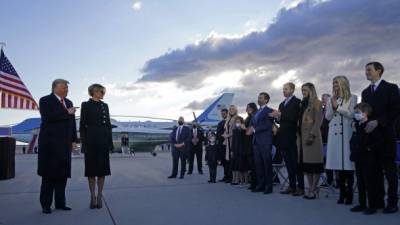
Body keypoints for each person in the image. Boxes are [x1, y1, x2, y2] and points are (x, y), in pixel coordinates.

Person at [361, 62, 400, 213]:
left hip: (386, 136)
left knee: (390, 172)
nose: (366, 72)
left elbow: (396, 110)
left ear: (379, 71)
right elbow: (364, 112)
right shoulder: (365, 92)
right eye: (366, 70)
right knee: (373, 172)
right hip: (371, 137)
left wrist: (378, 122)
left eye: (369, 70)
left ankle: (392, 203)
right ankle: (376, 203)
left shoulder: (391, 88)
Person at [37, 79, 77, 214]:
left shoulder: (69, 102)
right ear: (55, 88)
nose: (67, 89)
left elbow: (72, 124)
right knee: (48, 176)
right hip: (50, 145)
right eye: (64, 87)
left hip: (65, 145)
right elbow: (48, 117)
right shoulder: (45, 100)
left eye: (67, 88)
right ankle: (46, 205)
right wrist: (68, 113)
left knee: (62, 175)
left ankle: (60, 203)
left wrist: (73, 140)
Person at [79, 84, 113, 209]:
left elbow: (108, 125)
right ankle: (92, 196)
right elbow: (82, 125)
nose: (103, 94)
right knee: (91, 172)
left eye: (103, 92)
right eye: (101, 91)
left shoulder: (105, 106)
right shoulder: (86, 105)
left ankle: (100, 195)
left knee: (102, 171)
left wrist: (110, 143)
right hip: (91, 142)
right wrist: (84, 143)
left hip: (103, 142)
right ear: (93, 92)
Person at [325, 76, 356, 205]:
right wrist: (332, 107)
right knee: (338, 165)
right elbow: (327, 117)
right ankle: (341, 193)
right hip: (334, 135)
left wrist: (338, 107)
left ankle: (349, 195)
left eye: (336, 83)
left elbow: (351, 114)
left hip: (346, 133)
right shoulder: (331, 99)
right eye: (333, 83)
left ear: (343, 83)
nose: (335, 85)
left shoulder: (352, 98)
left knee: (348, 166)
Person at [350, 103, 384, 215]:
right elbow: (354, 141)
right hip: (358, 158)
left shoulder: (370, 125)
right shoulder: (356, 125)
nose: (356, 114)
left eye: (358, 112)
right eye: (355, 112)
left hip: (369, 158)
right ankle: (362, 203)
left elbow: (379, 141)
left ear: (365, 113)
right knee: (360, 182)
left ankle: (372, 205)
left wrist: (369, 148)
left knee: (370, 182)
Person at [270, 82, 302, 196]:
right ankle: (292, 185)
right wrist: (277, 117)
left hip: (293, 135)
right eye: (283, 89)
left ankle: (301, 186)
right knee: (288, 163)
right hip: (283, 136)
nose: (284, 91)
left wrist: (280, 115)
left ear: (292, 90)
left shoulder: (297, 102)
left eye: (286, 89)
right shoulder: (282, 104)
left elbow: (294, 117)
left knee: (296, 162)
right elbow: (279, 121)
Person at [297, 83, 324, 199]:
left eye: (306, 90)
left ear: (312, 90)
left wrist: (312, 135)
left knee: (315, 165)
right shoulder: (302, 103)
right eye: (302, 90)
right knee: (307, 165)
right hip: (302, 137)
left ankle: (313, 188)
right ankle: (311, 187)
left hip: (312, 137)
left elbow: (318, 120)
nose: (303, 92)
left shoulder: (317, 102)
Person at [249, 92, 274, 194]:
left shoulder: (269, 111)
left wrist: (254, 130)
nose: (258, 99)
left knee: (266, 164)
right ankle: (261, 185)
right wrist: (250, 128)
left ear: (266, 100)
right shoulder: (256, 112)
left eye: (261, 98)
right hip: (256, 142)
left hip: (265, 142)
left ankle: (269, 186)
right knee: (258, 165)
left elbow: (268, 125)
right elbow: (251, 124)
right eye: (258, 97)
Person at [222, 105, 239, 183]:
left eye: (233, 109)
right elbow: (227, 129)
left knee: (233, 159)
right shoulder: (228, 119)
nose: (231, 110)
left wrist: (227, 135)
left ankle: (234, 178)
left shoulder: (236, 118)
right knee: (228, 159)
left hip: (233, 141)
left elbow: (235, 131)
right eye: (230, 109)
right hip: (228, 141)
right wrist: (225, 134)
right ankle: (230, 176)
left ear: (235, 110)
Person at [244, 103, 258, 190]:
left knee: (254, 164)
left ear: (253, 108)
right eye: (247, 107)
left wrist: (245, 128)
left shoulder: (255, 116)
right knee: (251, 164)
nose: (248, 109)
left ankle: (255, 183)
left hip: (253, 141)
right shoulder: (248, 118)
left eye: (250, 107)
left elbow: (252, 129)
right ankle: (253, 182)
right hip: (247, 142)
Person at [230, 116, 247, 185]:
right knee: (236, 165)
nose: (237, 123)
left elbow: (245, 140)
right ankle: (237, 180)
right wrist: (232, 150)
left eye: (239, 122)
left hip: (242, 150)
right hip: (236, 150)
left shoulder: (243, 131)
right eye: (236, 122)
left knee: (243, 165)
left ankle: (243, 181)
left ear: (242, 122)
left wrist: (243, 129)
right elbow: (233, 141)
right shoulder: (234, 130)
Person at [217, 108, 229, 182]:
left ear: (227, 113)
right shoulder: (220, 122)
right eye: (222, 114)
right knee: (223, 162)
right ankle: (225, 175)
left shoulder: (228, 122)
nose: (223, 115)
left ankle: (229, 176)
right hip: (221, 144)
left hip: (226, 143)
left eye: (224, 113)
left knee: (227, 161)